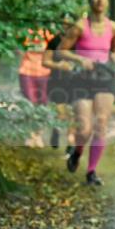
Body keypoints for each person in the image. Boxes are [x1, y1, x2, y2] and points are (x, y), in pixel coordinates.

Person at [58, 0, 115, 186]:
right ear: (90, 1)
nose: (99, 1)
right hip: (82, 80)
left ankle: (91, 172)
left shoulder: (113, 28)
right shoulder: (80, 26)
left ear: (107, 1)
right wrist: (80, 60)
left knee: (102, 125)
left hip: (105, 79)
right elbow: (61, 51)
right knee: (85, 128)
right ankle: (77, 152)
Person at [42, 13, 83, 152]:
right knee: (61, 112)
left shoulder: (79, 42)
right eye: (64, 23)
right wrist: (59, 66)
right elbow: (45, 61)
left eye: (70, 24)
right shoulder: (54, 41)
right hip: (57, 81)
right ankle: (56, 130)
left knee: (73, 112)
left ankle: (70, 142)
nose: (67, 26)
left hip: (76, 82)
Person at [17, 26, 53, 147]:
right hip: (26, 71)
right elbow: (18, 47)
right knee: (30, 103)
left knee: (42, 104)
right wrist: (24, 55)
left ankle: (38, 135)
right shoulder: (25, 31)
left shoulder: (47, 33)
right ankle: (30, 135)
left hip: (44, 73)